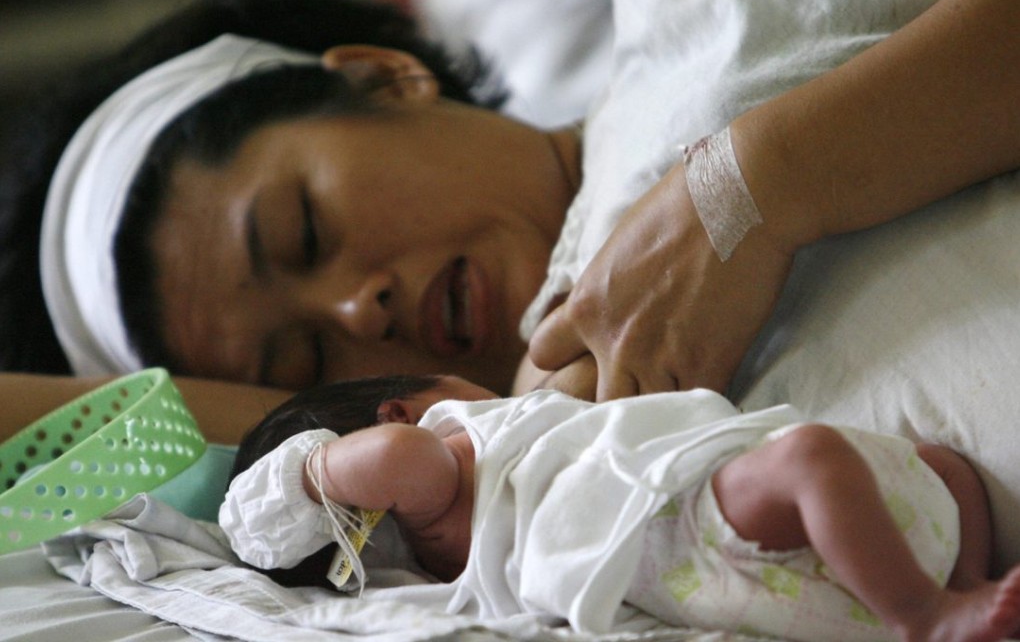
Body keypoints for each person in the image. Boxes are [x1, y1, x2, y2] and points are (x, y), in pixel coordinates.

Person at [4, 0, 1020, 557]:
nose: (358, 310)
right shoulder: (538, 483)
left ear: (383, 76)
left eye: (305, 232)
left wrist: (756, 188)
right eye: (302, 360)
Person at [221, 374, 1020, 642]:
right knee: (811, 457)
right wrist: (309, 475)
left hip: (740, 559)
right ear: (397, 413)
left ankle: (964, 593)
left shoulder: (449, 548)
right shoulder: (442, 465)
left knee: (938, 467)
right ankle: (928, 613)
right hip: (683, 524)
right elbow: (400, 460)